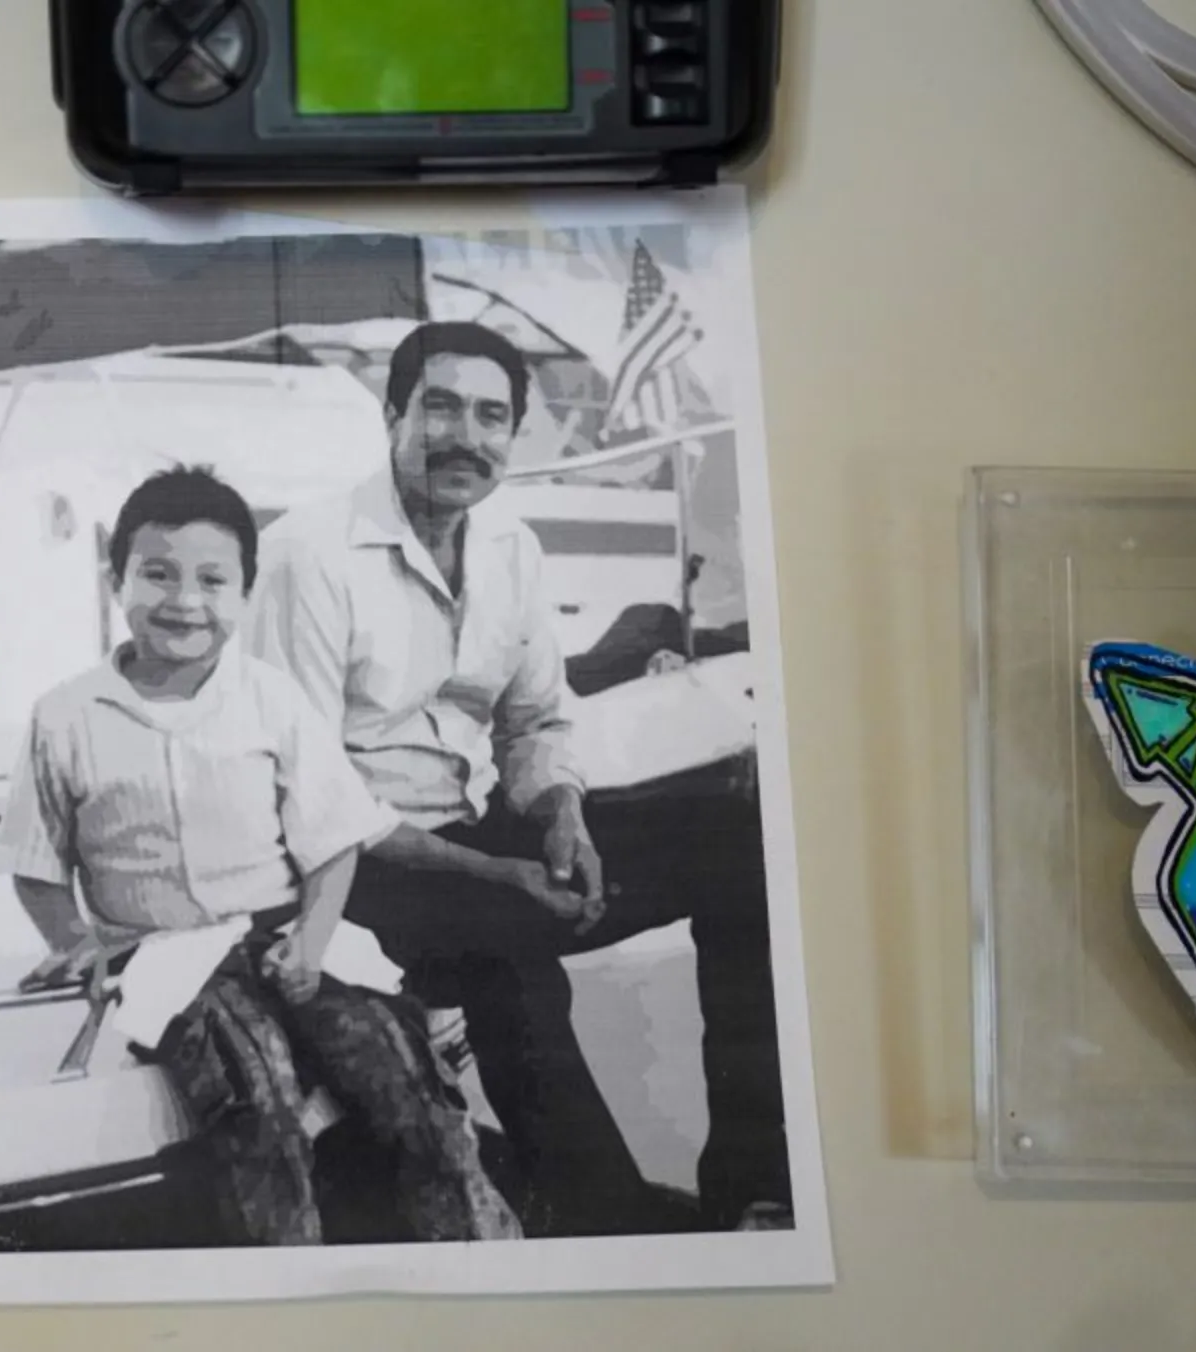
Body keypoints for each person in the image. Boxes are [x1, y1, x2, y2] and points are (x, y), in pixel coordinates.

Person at [246, 320, 791, 1236]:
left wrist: (562, 815)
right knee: (510, 947)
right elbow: (315, 791)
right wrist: (502, 875)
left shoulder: (511, 547)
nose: (467, 436)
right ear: (394, 415)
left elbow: (539, 720)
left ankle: (752, 1185)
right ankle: (603, 1220)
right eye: (443, 407)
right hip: (351, 868)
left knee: (745, 853)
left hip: (474, 832)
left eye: (491, 416)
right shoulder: (310, 553)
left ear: (513, 434)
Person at [0, 465, 520, 1246]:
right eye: (157, 574)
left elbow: (334, 839)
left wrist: (310, 941)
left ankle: (481, 1266)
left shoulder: (270, 696)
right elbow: (35, 864)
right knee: (257, 1097)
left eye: (213, 580)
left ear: (243, 591)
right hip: (165, 960)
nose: (184, 601)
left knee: (410, 1086)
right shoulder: (65, 715)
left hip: (288, 938)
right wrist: (78, 943)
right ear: (116, 579)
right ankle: (281, 1286)